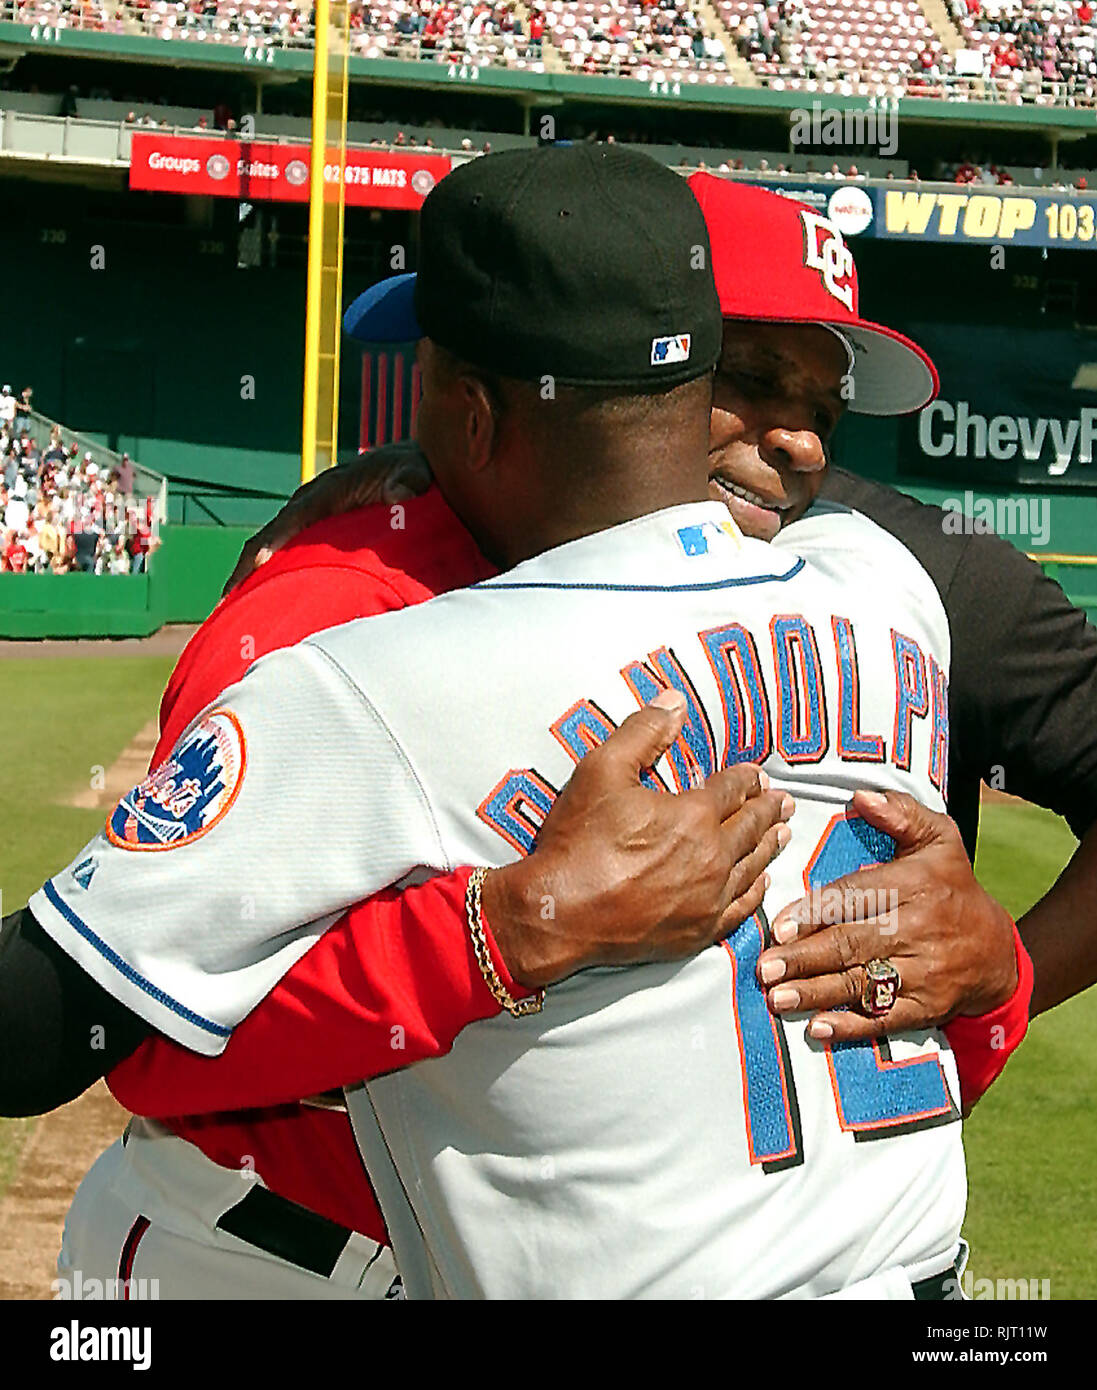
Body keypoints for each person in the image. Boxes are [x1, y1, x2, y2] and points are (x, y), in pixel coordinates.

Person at [8, 148, 1019, 1299]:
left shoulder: (843, 577)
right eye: (754, 381)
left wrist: (990, 966)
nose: (797, 444)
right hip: (271, 1250)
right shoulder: (333, 615)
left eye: (820, 410)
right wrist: (500, 934)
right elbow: (136, 1047)